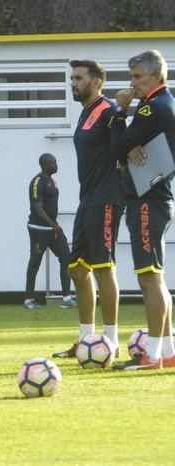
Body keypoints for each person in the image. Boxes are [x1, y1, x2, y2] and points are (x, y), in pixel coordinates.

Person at [52, 60, 125, 359]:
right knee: (77, 269)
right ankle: (86, 340)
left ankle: (111, 341)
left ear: (97, 82)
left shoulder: (108, 112)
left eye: (79, 78)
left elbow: (124, 148)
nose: (73, 83)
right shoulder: (86, 113)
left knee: (104, 268)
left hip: (107, 199)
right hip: (87, 200)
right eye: (72, 78)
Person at [112, 50, 175, 370]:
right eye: (132, 76)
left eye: (138, 77)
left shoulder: (153, 106)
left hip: (148, 200)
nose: (132, 83)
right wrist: (128, 143)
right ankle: (166, 350)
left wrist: (121, 113)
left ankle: (152, 355)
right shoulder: (163, 104)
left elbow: (116, 145)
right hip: (155, 198)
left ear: (156, 77)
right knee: (155, 277)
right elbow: (126, 145)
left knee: (149, 278)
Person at [23, 153, 76, 310]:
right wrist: (53, 225)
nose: (56, 165)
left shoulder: (52, 181)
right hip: (39, 229)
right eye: (52, 163)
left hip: (53, 229)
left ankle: (66, 297)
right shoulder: (37, 181)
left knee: (66, 257)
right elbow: (36, 207)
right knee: (35, 262)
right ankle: (28, 300)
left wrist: (54, 226)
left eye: (56, 162)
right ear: (44, 164)